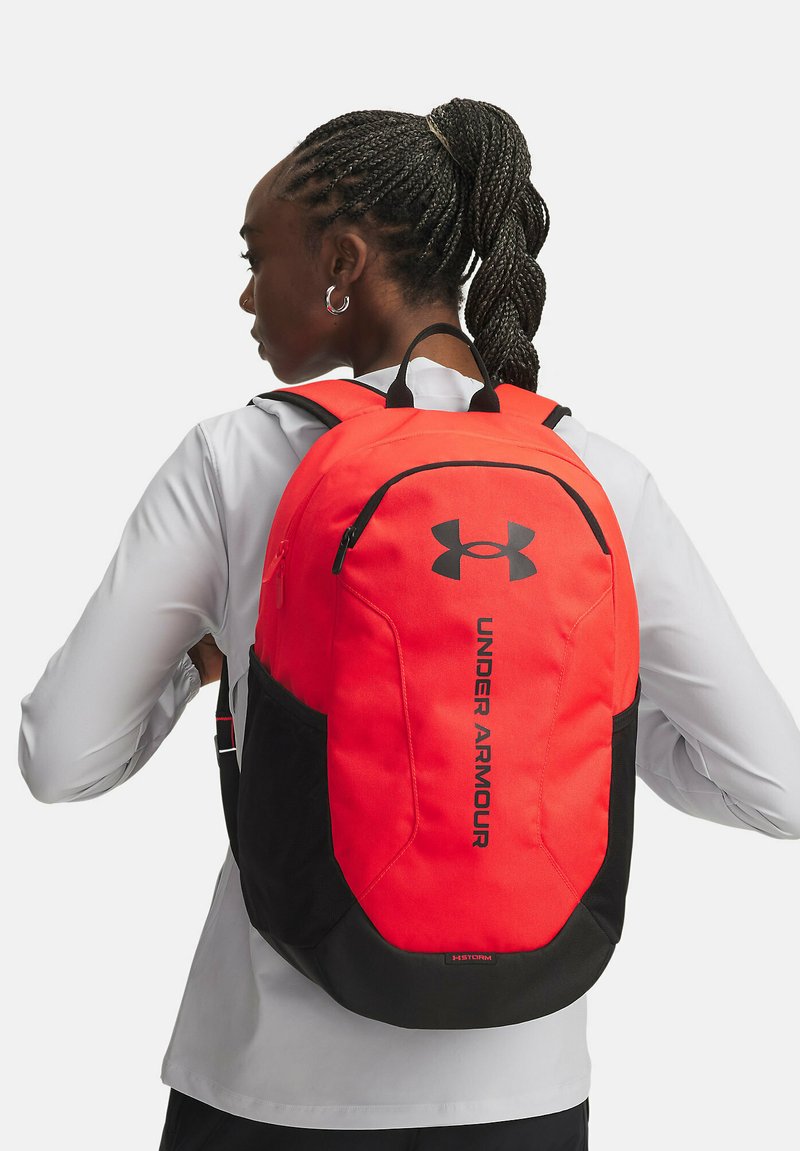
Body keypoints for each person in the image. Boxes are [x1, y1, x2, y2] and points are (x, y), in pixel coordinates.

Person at [18, 99, 800, 1150]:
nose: (245, 293)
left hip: (268, 1085)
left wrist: (205, 666)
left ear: (342, 260)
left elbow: (61, 758)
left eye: (256, 256)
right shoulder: (596, 472)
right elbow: (776, 787)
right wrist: (582, 717)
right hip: (523, 1090)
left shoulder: (232, 459)